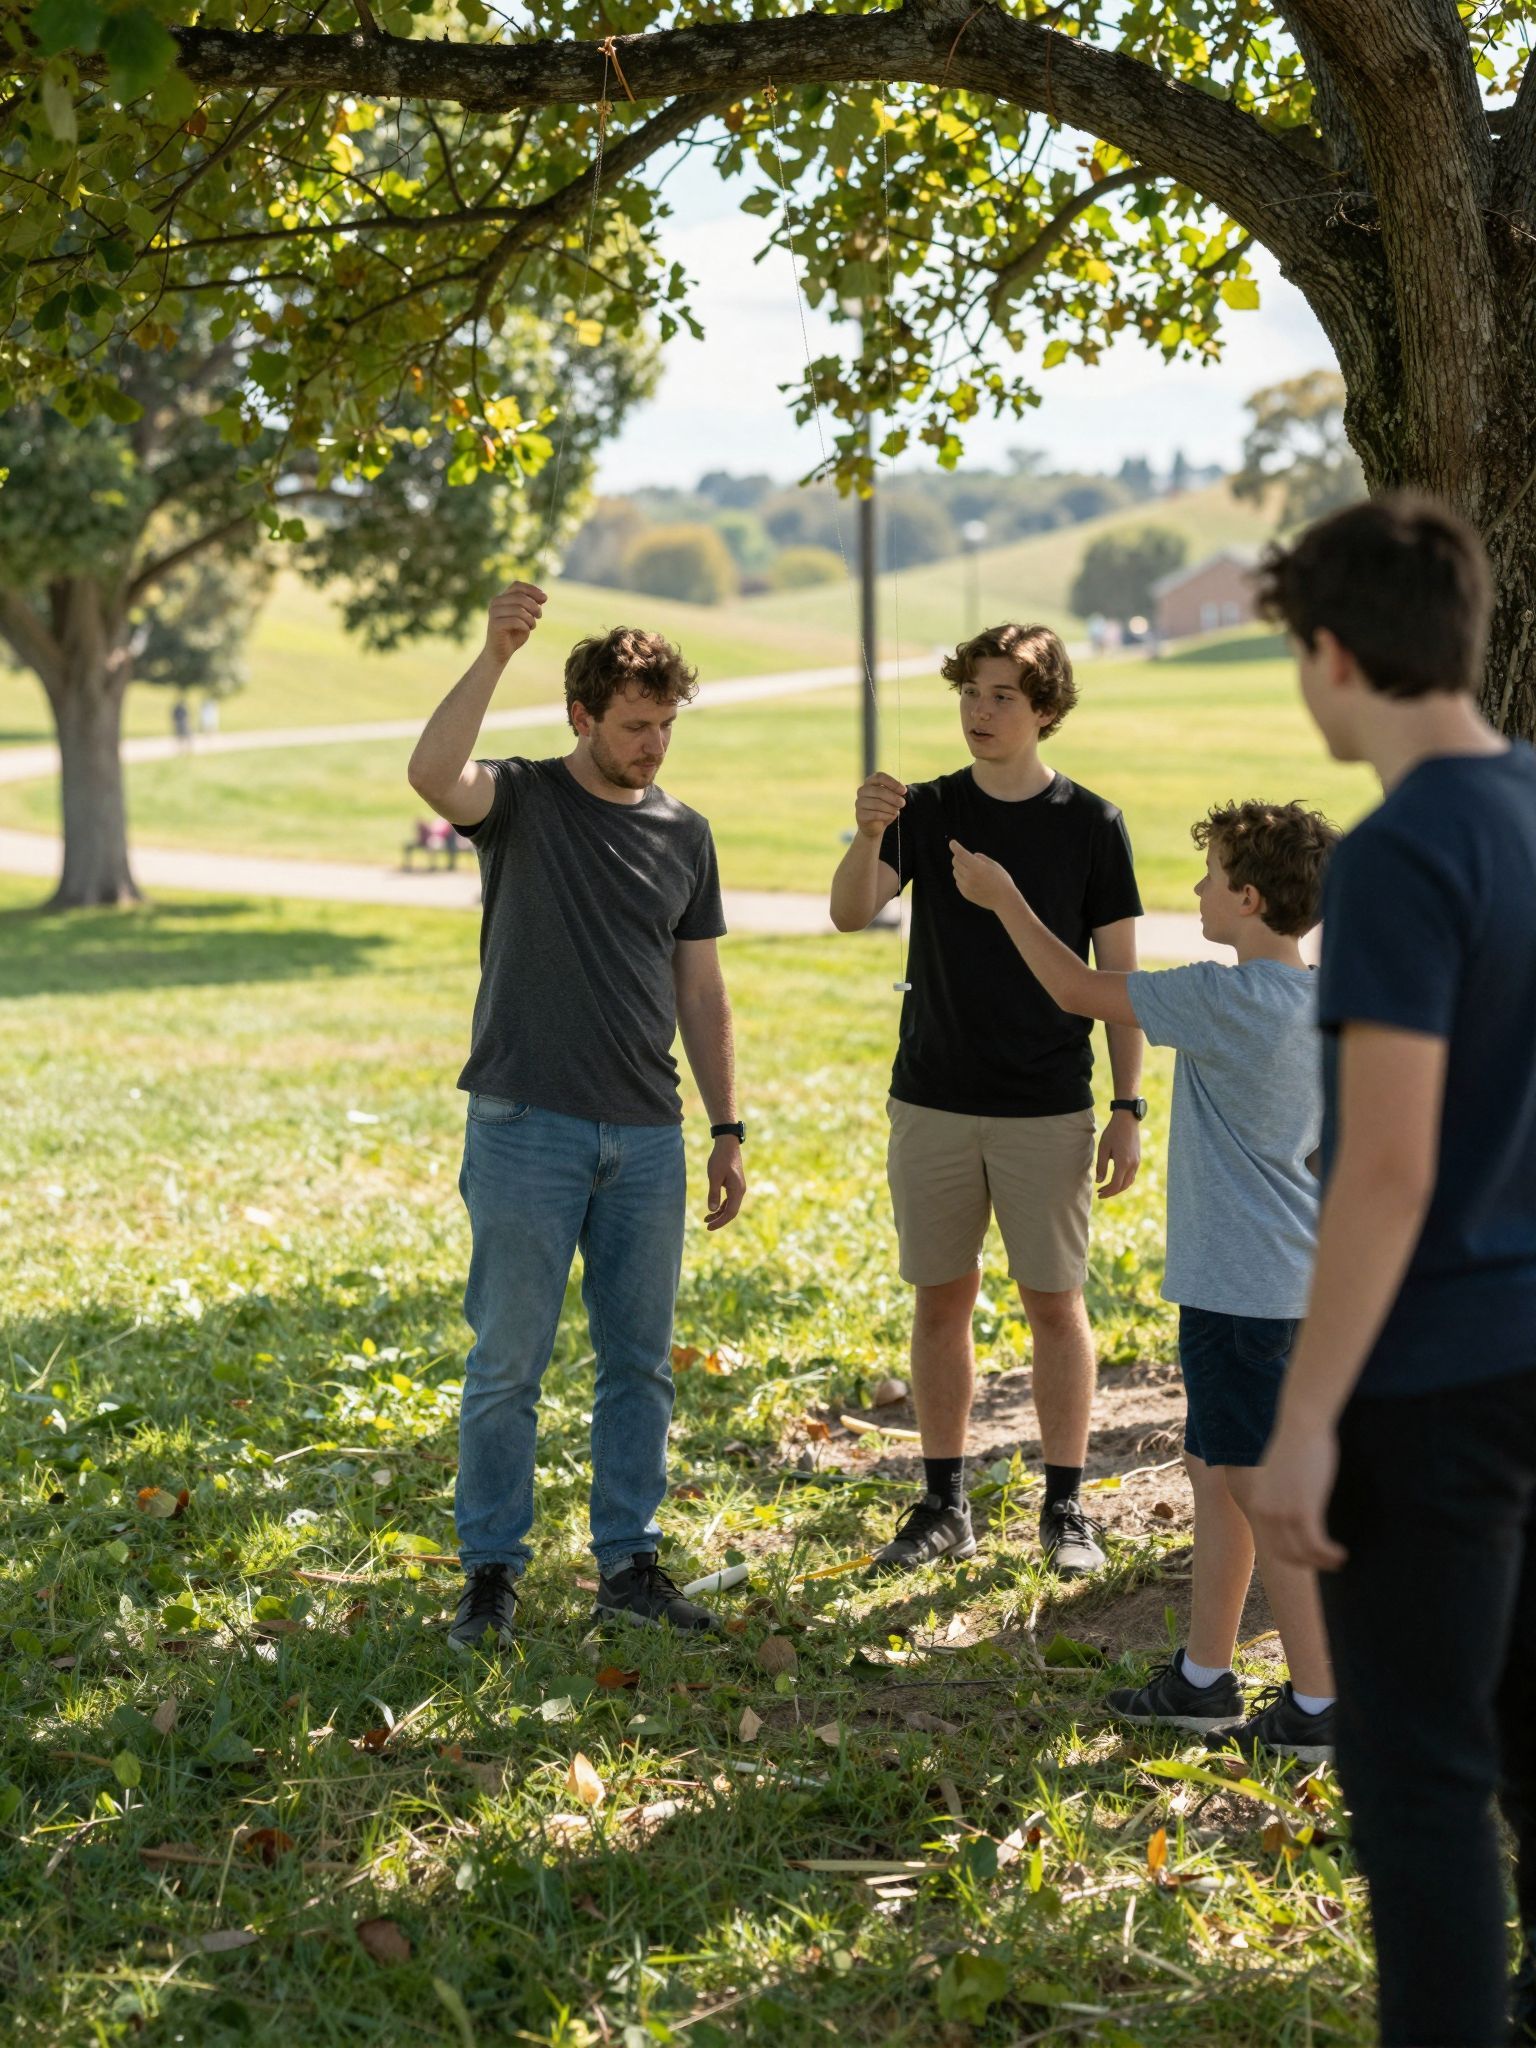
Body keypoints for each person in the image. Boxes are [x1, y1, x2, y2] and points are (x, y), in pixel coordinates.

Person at [1247, 495, 1536, 2048]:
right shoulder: (1535, 805)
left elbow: (1387, 1164)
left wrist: (1306, 1421)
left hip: (1433, 1387)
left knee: (1421, 1783)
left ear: (1338, 657)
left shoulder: (1401, 849)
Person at [952, 799, 1342, 1760]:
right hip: (1282, 1288)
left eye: (1210, 877)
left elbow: (1079, 988)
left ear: (1249, 899)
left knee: (1252, 1481)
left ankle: (1323, 1703)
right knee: (1216, 1472)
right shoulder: (1330, 1000)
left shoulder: (1227, 999)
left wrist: (1003, 899)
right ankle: (1207, 1679)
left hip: (1244, 1298)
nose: (1198, 890)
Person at [407, 585, 748, 1653]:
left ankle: (630, 1565)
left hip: (645, 1134)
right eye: (634, 724)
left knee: (638, 1361)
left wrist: (726, 1125)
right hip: (526, 1123)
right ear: (582, 716)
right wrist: (492, 650)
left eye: (664, 726)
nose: (652, 745)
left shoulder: (686, 834)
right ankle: (491, 1576)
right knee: (508, 1360)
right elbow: (430, 775)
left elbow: (702, 991)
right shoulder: (520, 801)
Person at [829, 622, 1145, 1580]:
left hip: (1048, 1103)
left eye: (1004, 695)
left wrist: (1128, 1108)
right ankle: (942, 1503)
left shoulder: (1092, 823)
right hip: (931, 1096)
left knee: (1056, 1305)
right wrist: (872, 828)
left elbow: (1122, 977)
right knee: (941, 1301)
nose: (980, 710)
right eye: (971, 691)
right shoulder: (926, 809)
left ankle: (1065, 1506)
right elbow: (849, 912)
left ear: (1046, 709)